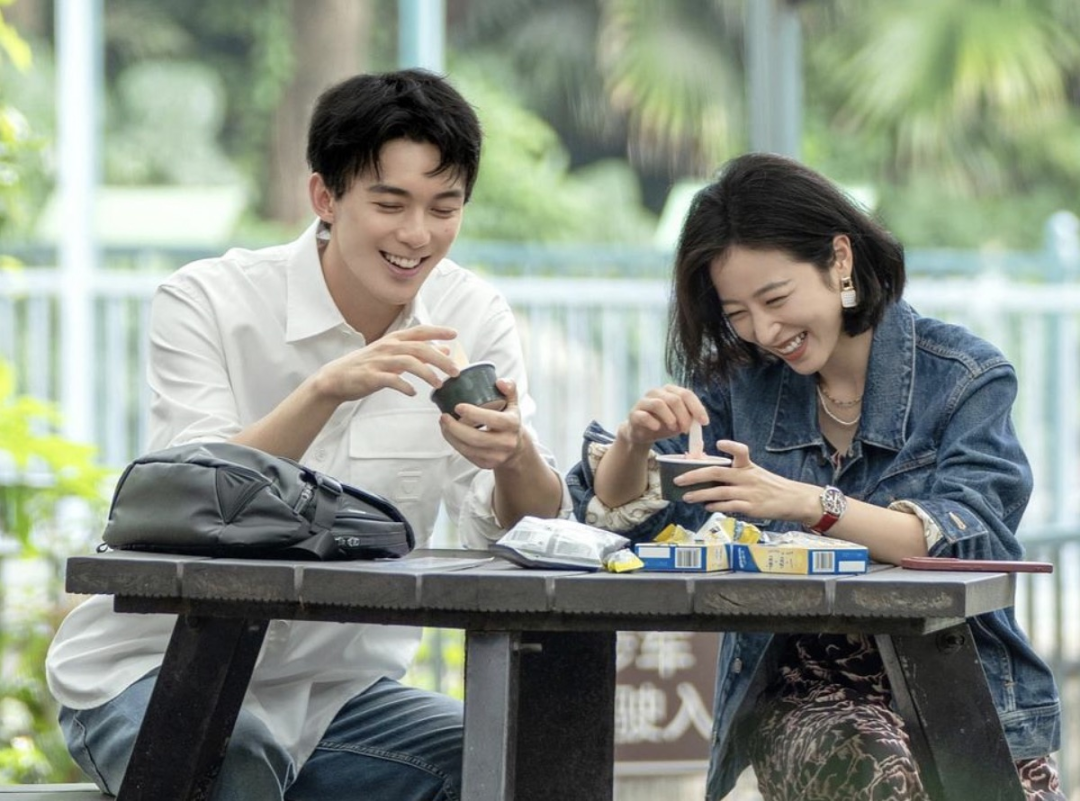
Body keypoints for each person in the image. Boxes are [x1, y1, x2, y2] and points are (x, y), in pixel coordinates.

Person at [46, 68, 569, 801]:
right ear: (325, 197)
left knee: (521, 760)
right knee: (234, 753)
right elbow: (191, 496)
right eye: (390, 204)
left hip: (338, 695)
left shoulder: (474, 317)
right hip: (152, 670)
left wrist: (514, 454)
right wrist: (325, 388)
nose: (418, 235)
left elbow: (527, 534)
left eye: (444, 207)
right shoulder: (206, 301)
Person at [567, 152, 1063, 800]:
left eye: (776, 298)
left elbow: (969, 538)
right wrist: (634, 442)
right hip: (808, 698)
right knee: (876, 772)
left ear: (839, 260)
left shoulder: (965, 377)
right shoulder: (738, 388)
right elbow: (628, 522)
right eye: (738, 313)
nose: (765, 330)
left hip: (965, 693)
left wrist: (808, 502)